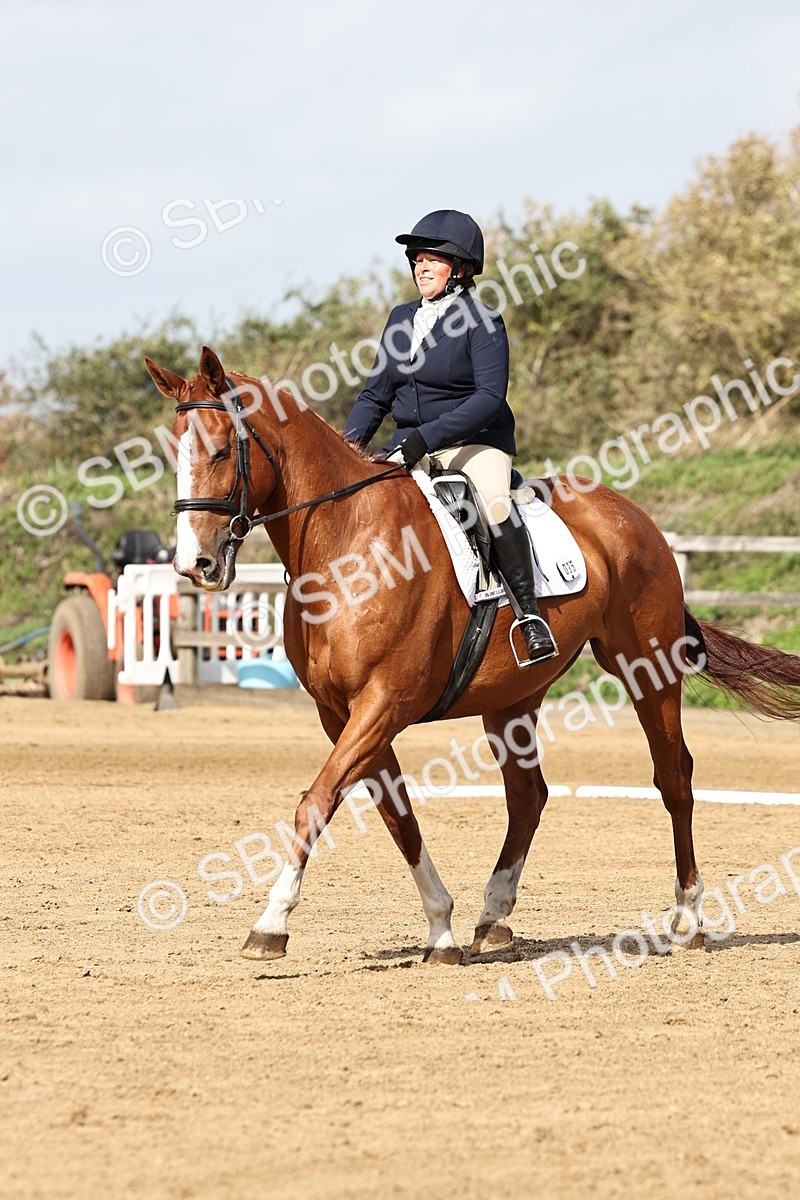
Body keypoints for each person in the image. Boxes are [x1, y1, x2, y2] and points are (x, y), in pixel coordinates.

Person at [344, 209, 557, 666]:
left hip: (473, 444)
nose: (421, 267)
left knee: (497, 500)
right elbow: (376, 393)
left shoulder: (483, 319)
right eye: (416, 259)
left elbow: (489, 398)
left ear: (459, 269)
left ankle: (529, 615)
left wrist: (424, 438)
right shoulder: (402, 319)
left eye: (433, 259)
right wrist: (349, 447)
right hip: (407, 445)